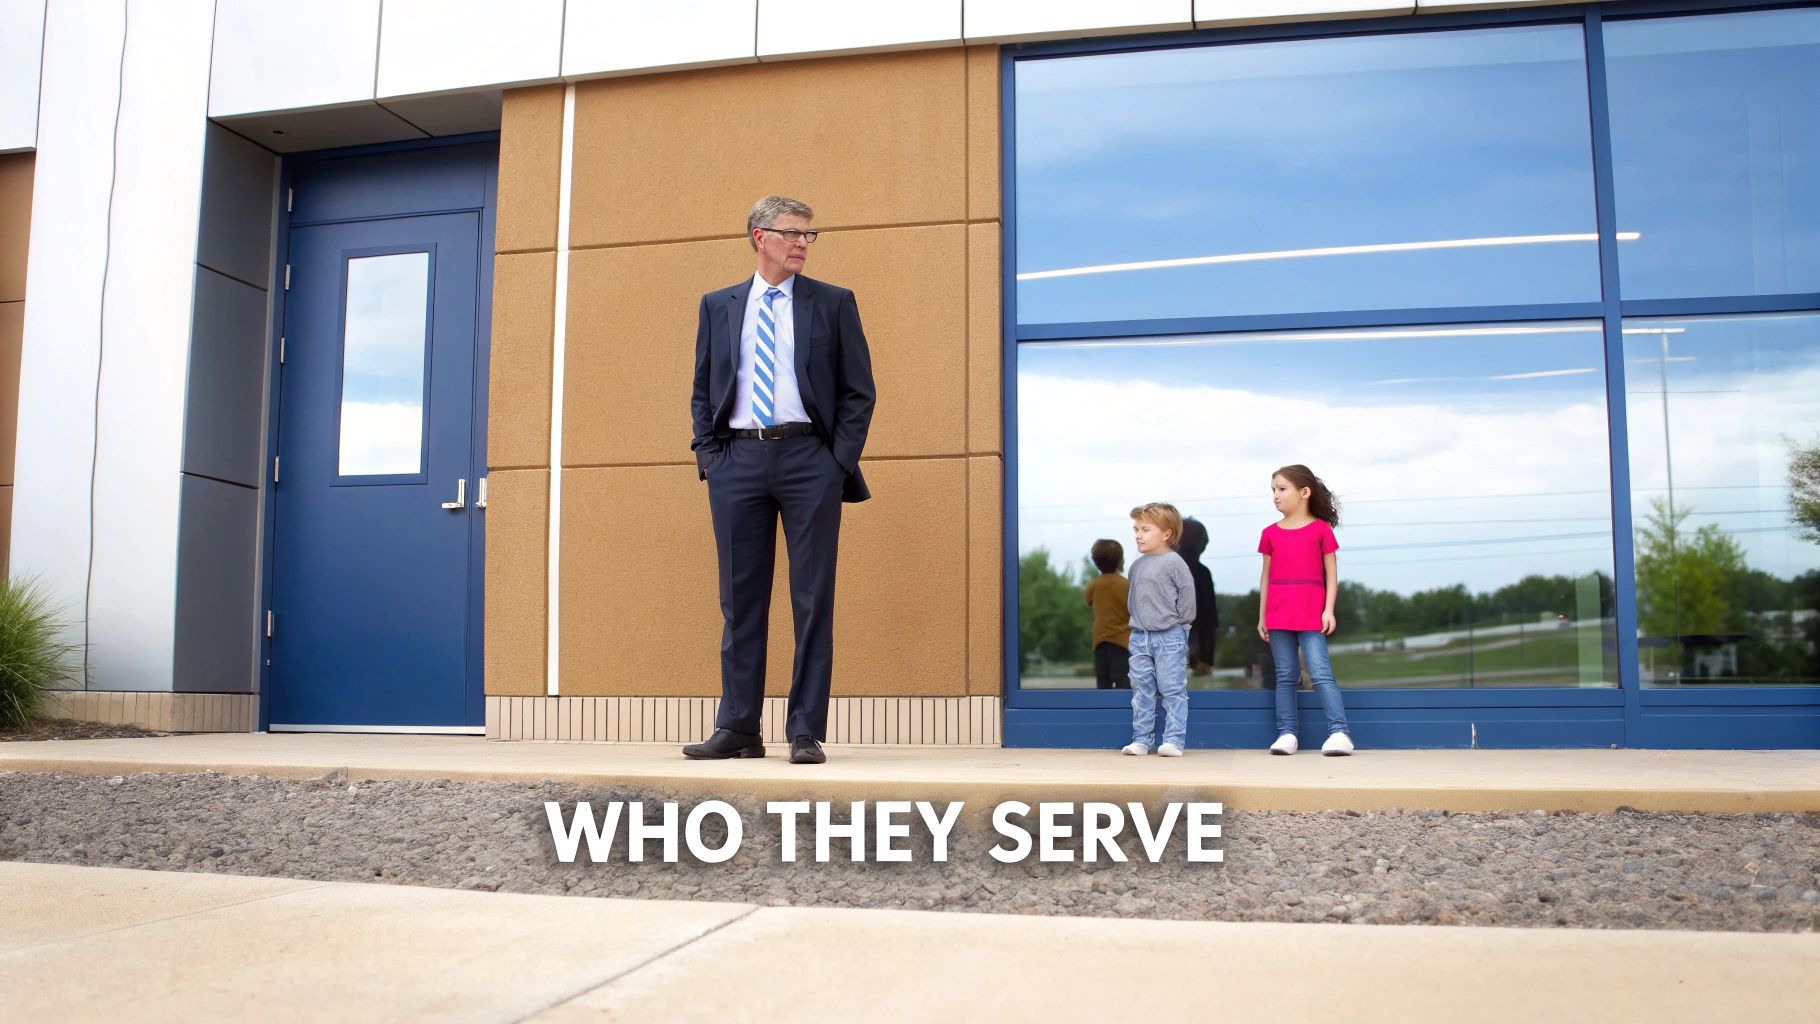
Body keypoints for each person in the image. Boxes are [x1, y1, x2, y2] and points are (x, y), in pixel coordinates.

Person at [683, 196, 876, 765]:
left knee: (812, 597)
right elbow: (703, 386)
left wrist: (835, 461)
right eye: (791, 233)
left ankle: (804, 730)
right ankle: (739, 725)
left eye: (809, 235)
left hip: (807, 461)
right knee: (740, 600)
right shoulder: (718, 305)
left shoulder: (833, 303)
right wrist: (709, 455)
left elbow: (858, 391)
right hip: (736, 462)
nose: (802, 243)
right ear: (758, 237)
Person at [1256, 464, 1354, 756]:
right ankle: (1287, 734)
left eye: (1282, 489)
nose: (1275, 495)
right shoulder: (1270, 533)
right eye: (1273, 490)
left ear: (1305, 492)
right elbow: (1265, 577)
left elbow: (1331, 575)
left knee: (1321, 672)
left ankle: (1340, 732)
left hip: (1312, 613)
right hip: (1278, 613)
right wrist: (1262, 616)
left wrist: (1329, 610)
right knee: (1285, 676)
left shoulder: (1321, 530)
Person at [1121, 503, 1196, 757]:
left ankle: (1174, 740)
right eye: (1136, 529)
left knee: (1172, 688)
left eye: (1145, 529)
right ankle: (1141, 739)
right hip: (1140, 636)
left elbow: (1187, 603)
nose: (1138, 535)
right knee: (1141, 688)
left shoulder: (1175, 564)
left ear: (1166, 533)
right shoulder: (1136, 566)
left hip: (1169, 636)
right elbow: (1133, 601)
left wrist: (1180, 630)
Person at [1083, 539, 1131, 690]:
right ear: (1119, 561)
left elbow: (1088, 601)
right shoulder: (1125, 585)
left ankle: (1104, 712)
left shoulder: (1094, 585)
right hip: (1122, 642)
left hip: (1100, 642)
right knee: (1124, 682)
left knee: (1103, 682)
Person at [1177, 518, 1220, 677]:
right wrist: (1207, 659)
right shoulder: (1201, 573)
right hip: (1193, 646)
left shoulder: (1164, 571)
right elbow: (1210, 619)